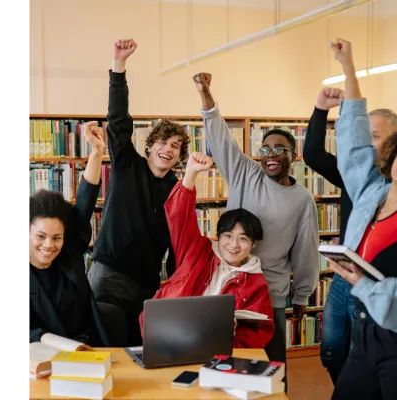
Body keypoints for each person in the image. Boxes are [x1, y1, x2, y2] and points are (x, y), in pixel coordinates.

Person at [325, 38, 397, 400]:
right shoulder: (372, 191)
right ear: (396, 151)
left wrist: (365, 285)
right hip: (366, 332)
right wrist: (349, 67)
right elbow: (354, 141)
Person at [192, 72, 320, 388]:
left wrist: (302, 295)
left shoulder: (302, 199)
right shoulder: (245, 173)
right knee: (223, 363)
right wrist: (206, 95)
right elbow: (220, 138)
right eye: (265, 149)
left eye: (279, 149)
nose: (270, 155)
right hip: (230, 286)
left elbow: (305, 249)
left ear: (294, 156)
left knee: (273, 370)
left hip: (271, 293)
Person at [88, 39, 191, 346]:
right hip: (110, 276)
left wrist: (175, 287)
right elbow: (118, 120)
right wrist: (118, 66)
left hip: (147, 285)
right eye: (163, 142)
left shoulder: (177, 190)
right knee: (105, 349)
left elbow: (179, 243)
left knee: (140, 352)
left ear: (179, 156)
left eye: (175, 146)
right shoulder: (126, 164)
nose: (168, 149)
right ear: (150, 146)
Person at [303, 89, 397, 388]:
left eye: (374, 135)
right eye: (363, 136)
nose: (366, 144)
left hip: (373, 281)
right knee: (331, 350)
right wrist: (321, 110)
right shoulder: (354, 175)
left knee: (360, 353)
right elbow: (312, 154)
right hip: (342, 276)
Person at [139, 152, 275, 348]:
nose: (234, 245)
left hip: (215, 349)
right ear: (218, 236)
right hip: (168, 337)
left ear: (253, 244)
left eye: (243, 238)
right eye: (228, 236)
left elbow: (259, 332)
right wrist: (191, 172)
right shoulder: (197, 250)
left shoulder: (256, 282)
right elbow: (180, 216)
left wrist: (232, 337)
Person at [30, 122, 118, 347]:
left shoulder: (68, 253)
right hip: (39, 355)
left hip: (88, 348)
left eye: (56, 237)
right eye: (40, 236)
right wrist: (52, 340)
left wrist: (97, 152)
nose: (49, 245)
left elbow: (85, 201)